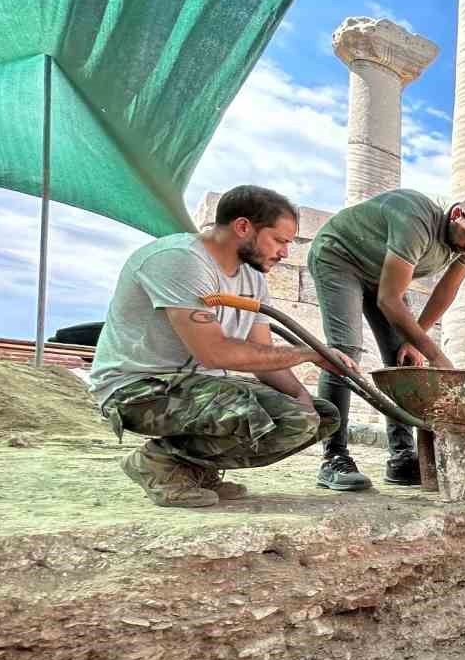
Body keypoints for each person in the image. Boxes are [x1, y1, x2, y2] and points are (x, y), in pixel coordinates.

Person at [91, 185, 358, 509]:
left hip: (198, 388)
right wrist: (308, 353)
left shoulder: (253, 279)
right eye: (280, 240)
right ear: (243, 227)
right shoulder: (179, 260)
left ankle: (194, 469)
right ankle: (157, 461)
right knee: (245, 410)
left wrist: (302, 400)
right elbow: (214, 353)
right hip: (137, 389)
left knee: (320, 416)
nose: (286, 252)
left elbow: (262, 353)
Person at [306, 188, 465, 490]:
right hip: (340, 258)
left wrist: (417, 341)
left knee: (404, 360)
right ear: (457, 215)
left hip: (381, 276)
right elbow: (390, 299)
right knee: (344, 353)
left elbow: (446, 290)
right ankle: (333, 457)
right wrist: (436, 355)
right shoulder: (415, 219)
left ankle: (402, 459)